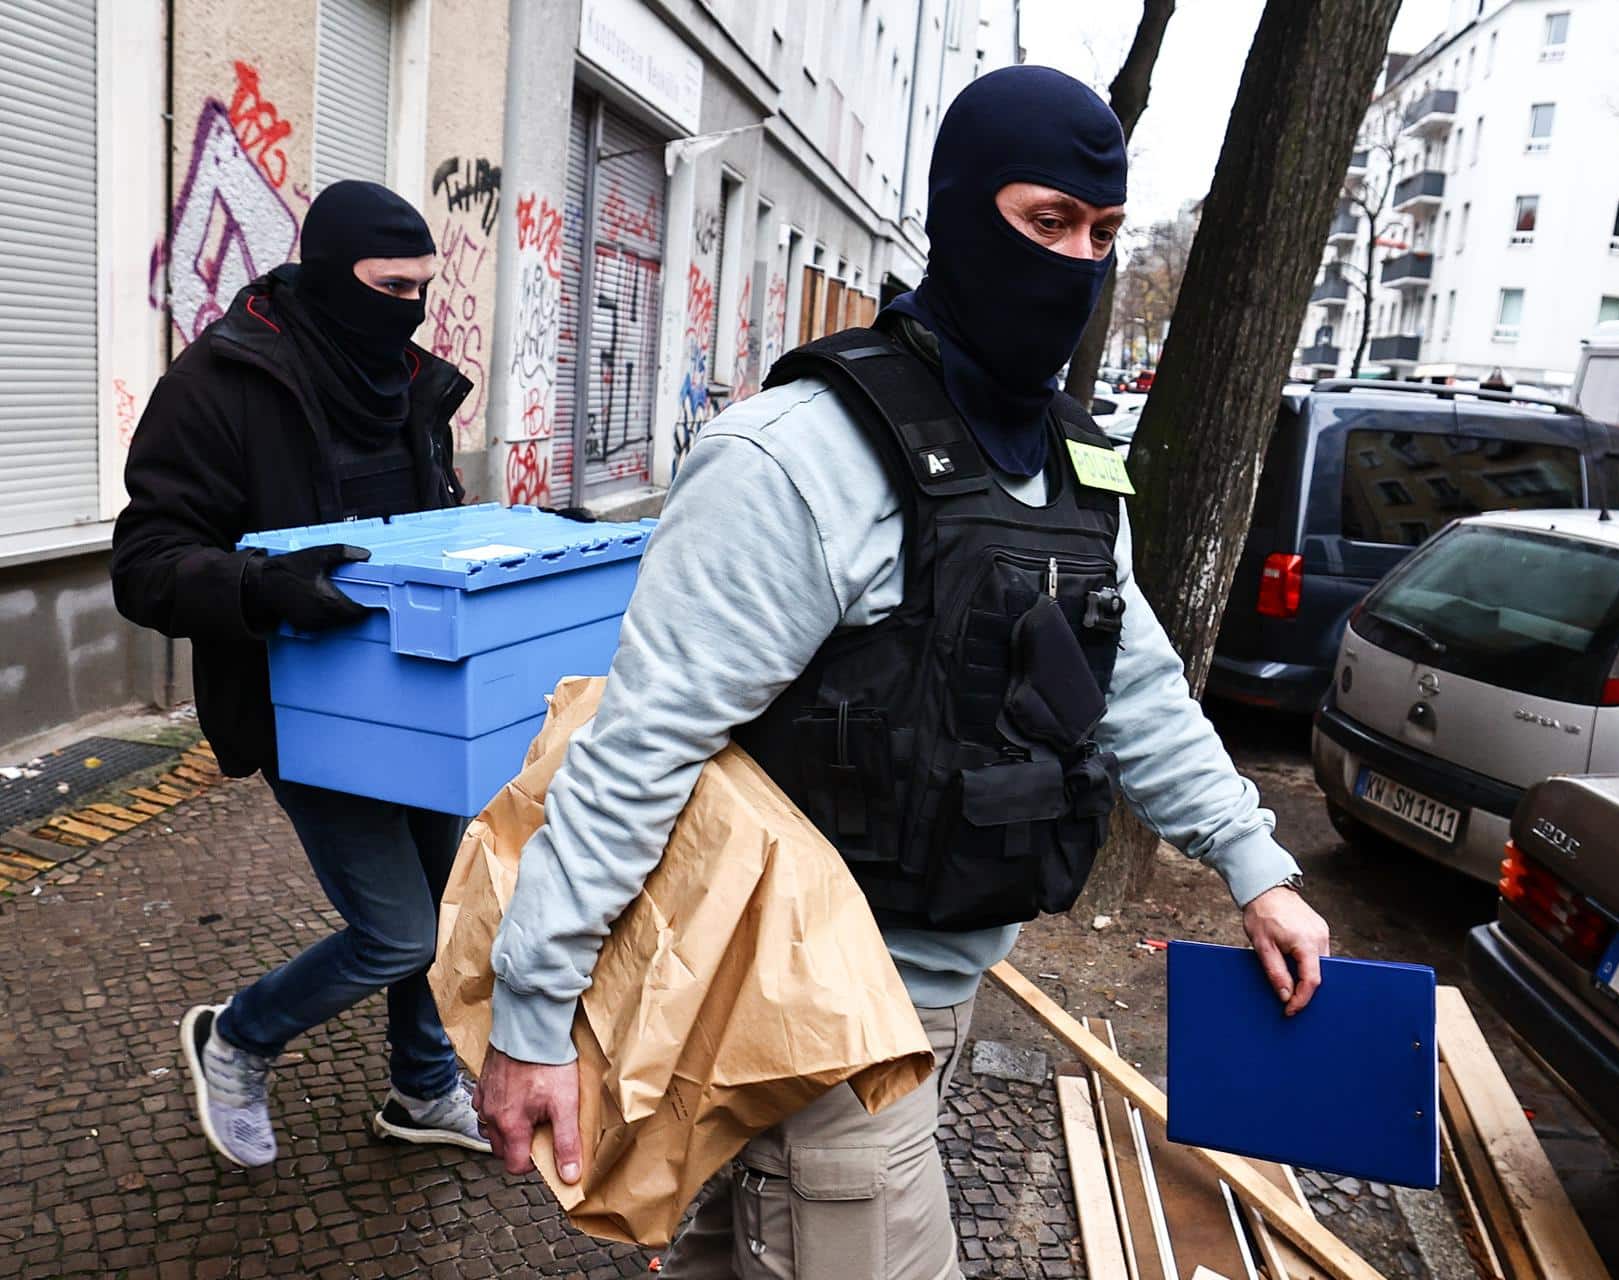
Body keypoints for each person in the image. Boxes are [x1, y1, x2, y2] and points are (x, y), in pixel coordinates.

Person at [476, 66, 1330, 1277]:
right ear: (961, 212)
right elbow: (642, 744)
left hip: (938, 992)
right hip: (816, 1015)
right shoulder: (797, 458)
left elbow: (1130, 679)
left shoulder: (1079, 468)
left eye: (1102, 235)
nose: (1077, 264)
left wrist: (1255, 865)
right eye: (1045, 224)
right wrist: (531, 1009)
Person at [111, 181, 488, 1168]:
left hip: (421, 697)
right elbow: (145, 561)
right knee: (399, 932)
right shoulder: (223, 384)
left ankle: (422, 1082)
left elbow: (429, 531)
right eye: (388, 285)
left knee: (447, 909)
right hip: (304, 708)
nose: (410, 306)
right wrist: (263, 586)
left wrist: (517, 555)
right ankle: (237, 1033)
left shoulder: (409, 382)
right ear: (327, 277)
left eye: (421, 286)